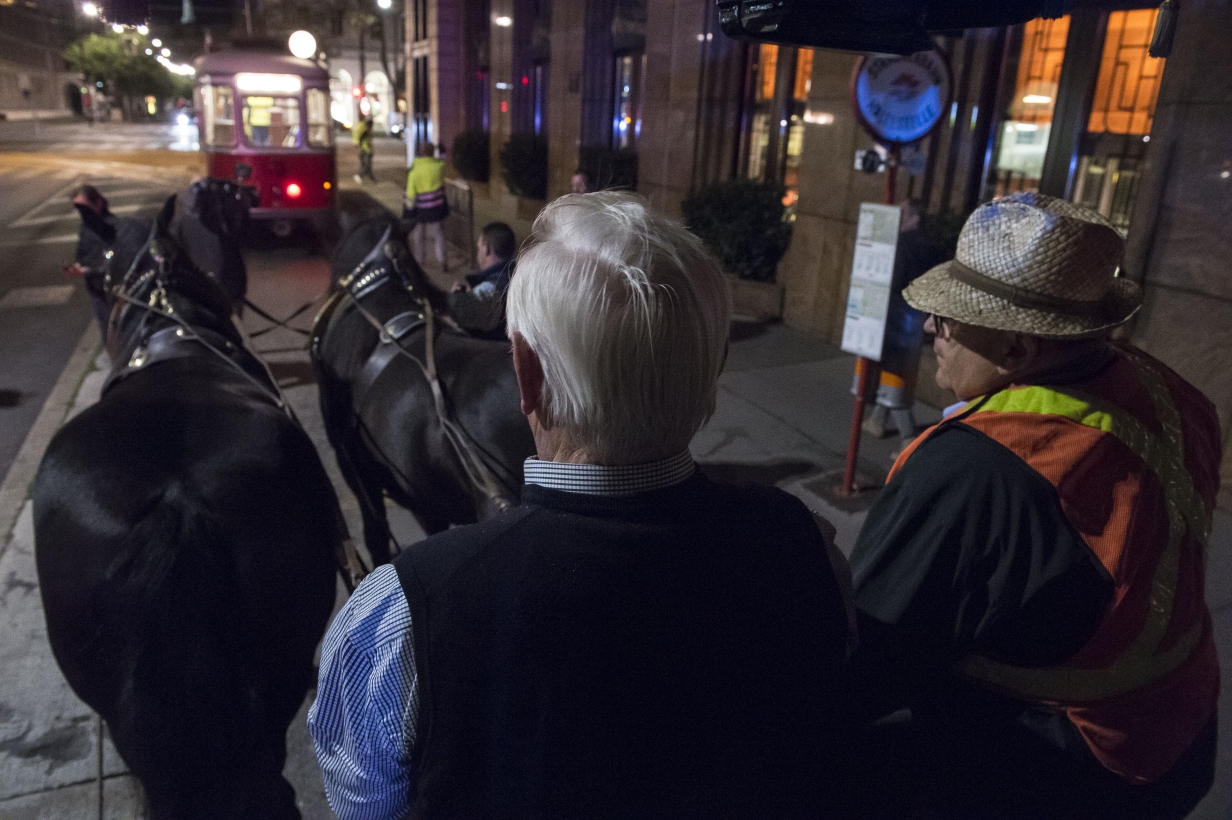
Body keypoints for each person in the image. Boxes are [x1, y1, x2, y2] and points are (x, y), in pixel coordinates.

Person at [308, 191, 858, 819]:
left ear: (526, 372)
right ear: (717, 366)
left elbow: (365, 807)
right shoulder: (804, 546)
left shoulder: (402, 612)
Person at [844, 192, 1220, 819]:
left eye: (953, 317)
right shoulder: (1171, 392)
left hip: (1059, 767)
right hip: (1178, 732)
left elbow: (870, 663)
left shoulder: (972, 471)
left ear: (1017, 352)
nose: (934, 326)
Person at [861, 198, 947, 450]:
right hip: (920, 314)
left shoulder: (902, 246)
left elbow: (894, 281)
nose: (896, 218)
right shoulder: (937, 246)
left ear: (914, 219)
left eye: (902, 213)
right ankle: (877, 420)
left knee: (894, 371)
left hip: (899, 312)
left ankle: (908, 436)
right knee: (898, 368)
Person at [64, 184, 117, 340]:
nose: (82, 213)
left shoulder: (111, 227)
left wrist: (89, 271)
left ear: (98, 203)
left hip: (112, 293)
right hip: (96, 292)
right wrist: (78, 265)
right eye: (78, 209)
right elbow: (83, 253)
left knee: (117, 337)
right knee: (107, 336)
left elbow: (113, 262)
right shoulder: (86, 227)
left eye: (85, 207)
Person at [447, 221, 516, 339]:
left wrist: (456, 295)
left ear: (487, 249)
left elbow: (463, 309)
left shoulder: (496, 286)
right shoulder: (514, 273)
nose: (478, 254)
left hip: (493, 352)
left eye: (479, 248)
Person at [405, 140, 447, 269]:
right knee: (439, 233)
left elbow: (411, 194)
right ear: (431, 152)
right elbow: (443, 160)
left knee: (419, 234)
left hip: (421, 208)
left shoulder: (414, 172)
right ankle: (442, 260)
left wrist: (409, 208)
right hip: (437, 206)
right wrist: (442, 150)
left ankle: (420, 259)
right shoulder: (439, 166)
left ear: (420, 153)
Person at [352, 113, 375, 184]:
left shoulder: (366, 127)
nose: (372, 124)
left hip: (367, 149)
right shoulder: (363, 127)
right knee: (366, 164)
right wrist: (358, 144)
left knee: (367, 164)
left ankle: (371, 178)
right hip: (365, 149)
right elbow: (359, 138)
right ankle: (359, 176)